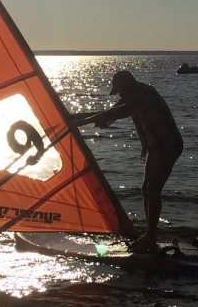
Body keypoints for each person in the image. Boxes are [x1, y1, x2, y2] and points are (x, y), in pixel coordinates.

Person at [71, 70, 183, 253]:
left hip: (169, 146)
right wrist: (80, 116)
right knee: (146, 187)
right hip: (155, 148)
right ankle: (149, 235)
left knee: (153, 188)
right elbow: (110, 113)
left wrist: (84, 122)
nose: (120, 95)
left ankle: (151, 237)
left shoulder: (145, 93)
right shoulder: (131, 96)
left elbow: (122, 111)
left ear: (129, 86)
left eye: (121, 91)